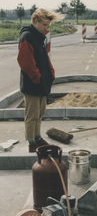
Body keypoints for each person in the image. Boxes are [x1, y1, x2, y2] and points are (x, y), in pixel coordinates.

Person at [17, 8, 64, 152]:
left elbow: (44, 58)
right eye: (44, 25)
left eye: (47, 25)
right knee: (31, 115)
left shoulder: (38, 36)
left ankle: (37, 137)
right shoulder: (27, 36)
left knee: (39, 112)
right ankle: (31, 143)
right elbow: (25, 61)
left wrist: (50, 73)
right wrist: (36, 77)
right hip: (32, 84)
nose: (46, 28)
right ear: (35, 21)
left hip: (41, 83)